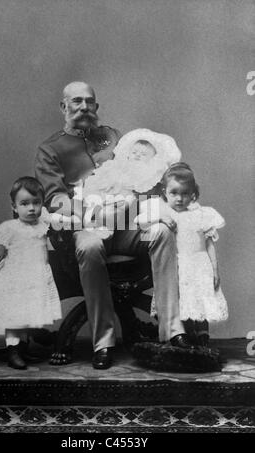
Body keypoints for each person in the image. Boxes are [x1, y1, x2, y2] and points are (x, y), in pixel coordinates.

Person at [35, 81, 193, 370]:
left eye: (89, 102)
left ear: (96, 106)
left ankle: (172, 329)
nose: (84, 108)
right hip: (89, 223)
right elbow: (54, 197)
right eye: (77, 102)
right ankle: (104, 341)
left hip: (128, 224)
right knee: (90, 245)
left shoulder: (113, 137)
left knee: (162, 231)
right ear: (64, 107)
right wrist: (90, 209)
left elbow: (142, 167)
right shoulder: (51, 149)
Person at [135, 163, 228, 346]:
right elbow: (140, 221)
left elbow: (209, 244)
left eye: (185, 193)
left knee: (201, 298)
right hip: (178, 265)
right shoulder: (164, 211)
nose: (179, 198)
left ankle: (202, 334)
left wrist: (215, 270)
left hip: (199, 264)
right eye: (174, 193)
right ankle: (182, 335)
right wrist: (161, 218)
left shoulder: (201, 214)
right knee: (181, 299)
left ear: (193, 193)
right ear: (165, 192)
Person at [0, 177, 62, 370]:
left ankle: (24, 349)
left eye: (36, 203)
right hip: (15, 279)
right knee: (15, 317)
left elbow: (53, 237)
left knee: (27, 315)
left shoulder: (43, 226)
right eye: (25, 204)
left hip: (36, 279)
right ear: (14, 206)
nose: (31, 208)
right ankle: (13, 352)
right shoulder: (10, 228)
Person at [76, 128, 180, 239]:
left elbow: (143, 195)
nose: (137, 155)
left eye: (144, 154)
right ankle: (91, 223)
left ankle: (104, 226)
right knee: (94, 200)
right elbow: (105, 175)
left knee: (122, 203)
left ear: (153, 159)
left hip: (124, 202)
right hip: (107, 189)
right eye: (134, 152)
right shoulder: (119, 165)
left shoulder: (150, 175)